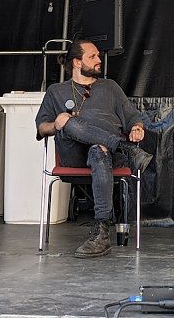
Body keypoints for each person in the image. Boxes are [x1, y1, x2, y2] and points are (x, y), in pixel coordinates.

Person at [35, 39, 152, 258]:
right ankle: (125, 147)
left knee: (98, 149)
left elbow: (132, 117)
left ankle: (101, 234)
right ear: (77, 62)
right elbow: (42, 127)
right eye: (93, 56)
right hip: (74, 153)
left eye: (98, 56)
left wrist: (137, 127)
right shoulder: (56, 91)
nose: (99, 60)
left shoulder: (110, 87)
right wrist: (57, 124)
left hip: (107, 156)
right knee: (66, 120)